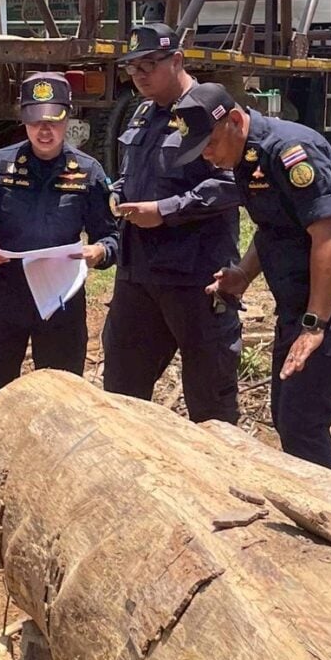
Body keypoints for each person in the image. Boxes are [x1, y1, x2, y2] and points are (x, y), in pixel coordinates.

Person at [167, 81, 331, 470]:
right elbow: (273, 228)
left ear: (236, 121)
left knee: (303, 422)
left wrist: (314, 326)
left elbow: (328, 238)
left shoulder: (290, 153)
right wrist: (243, 274)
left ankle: (327, 503)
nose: (207, 155)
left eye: (210, 143)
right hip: (300, 303)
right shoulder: (244, 157)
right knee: (286, 414)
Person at [0, 71, 118, 443]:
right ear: (23, 120)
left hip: (60, 302)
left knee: (64, 400)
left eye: (53, 121)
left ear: (68, 118)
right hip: (4, 298)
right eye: (35, 121)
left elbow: (112, 235)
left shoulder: (88, 172)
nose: (45, 130)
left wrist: (99, 252)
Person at [102, 23, 242, 424]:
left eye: (149, 65)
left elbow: (233, 181)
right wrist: (116, 194)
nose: (140, 75)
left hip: (194, 275)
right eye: (132, 68)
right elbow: (130, 173)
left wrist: (166, 209)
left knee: (209, 399)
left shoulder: (209, 108)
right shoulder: (142, 113)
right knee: (122, 393)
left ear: (177, 60)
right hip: (138, 273)